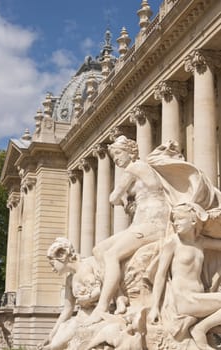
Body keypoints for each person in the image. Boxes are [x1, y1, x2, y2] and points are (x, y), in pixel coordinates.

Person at [86, 135, 171, 325]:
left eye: (118, 153)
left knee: (111, 255)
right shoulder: (136, 170)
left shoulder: (136, 166)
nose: (116, 159)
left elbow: (113, 197)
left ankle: (102, 307)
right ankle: (119, 297)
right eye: (113, 155)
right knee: (99, 250)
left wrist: (124, 197)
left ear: (131, 152)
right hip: (141, 223)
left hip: (155, 222)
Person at [148, 203, 221, 350]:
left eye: (180, 219)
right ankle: (200, 329)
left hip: (198, 297)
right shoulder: (173, 243)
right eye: (174, 220)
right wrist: (154, 307)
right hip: (184, 299)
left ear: (193, 221)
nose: (175, 223)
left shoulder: (200, 242)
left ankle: (201, 328)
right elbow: (160, 275)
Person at [38, 237, 101, 350]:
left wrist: (87, 298)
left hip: (95, 315)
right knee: (60, 334)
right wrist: (51, 335)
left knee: (56, 345)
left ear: (62, 255)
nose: (53, 269)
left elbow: (103, 290)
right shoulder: (69, 280)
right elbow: (67, 310)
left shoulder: (89, 265)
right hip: (80, 317)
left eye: (52, 264)